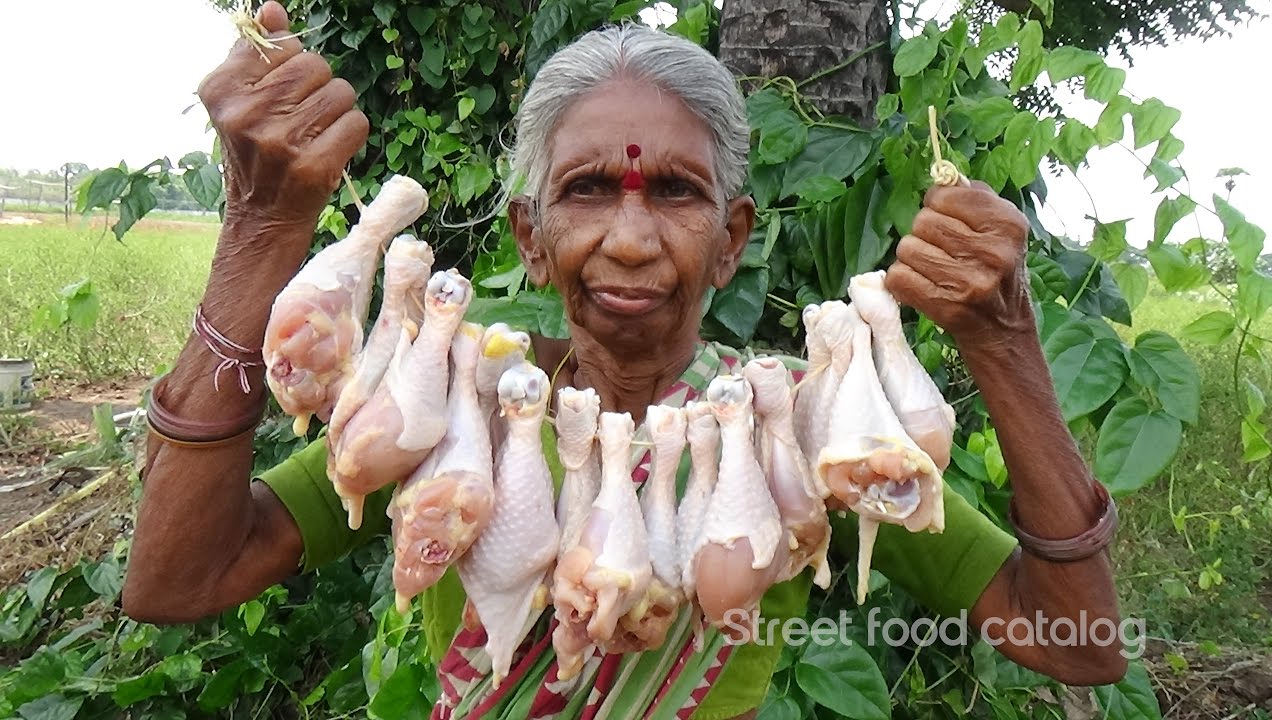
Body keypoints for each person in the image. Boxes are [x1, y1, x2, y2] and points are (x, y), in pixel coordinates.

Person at [122, 2, 1128, 718]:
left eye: (677, 194)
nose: (633, 240)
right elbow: (177, 579)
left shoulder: (804, 429)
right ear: (528, 233)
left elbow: (1068, 642)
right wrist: (259, 235)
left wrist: (1004, 345)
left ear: (732, 237)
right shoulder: (450, 405)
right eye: (590, 190)